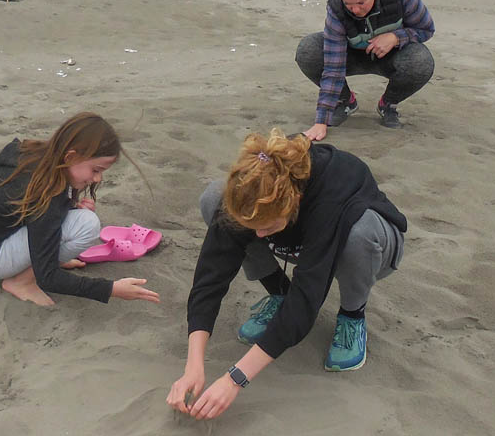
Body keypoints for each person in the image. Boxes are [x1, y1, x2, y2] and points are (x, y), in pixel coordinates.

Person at [167, 128, 406, 421]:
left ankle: (352, 315)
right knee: (216, 200)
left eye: (266, 227)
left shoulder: (330, 193)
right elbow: (211, 274)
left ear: (292, 203)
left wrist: (235, 379)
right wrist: (194, 364)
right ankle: (278, 293)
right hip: (294, 239)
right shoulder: (257, 181)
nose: (257, 236)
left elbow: (307, 298)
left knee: (358, 233)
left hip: (372, 244)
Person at [0, 112, 159, 307]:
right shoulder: (44, 190)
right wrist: (111, 289)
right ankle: (21, 281)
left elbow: (29, 214)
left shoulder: (38, 159)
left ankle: (37, 263)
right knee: (86, 225)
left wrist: (69, 207)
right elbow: (49, 279)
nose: (97, 179)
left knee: (78, 218)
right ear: (71, 156)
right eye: (96, 170)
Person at [296, 0, 435, 138]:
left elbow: (426, 28)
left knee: (421, 61)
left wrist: (396, 37)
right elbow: (333, 67)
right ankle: (344, 102)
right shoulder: (336, 7)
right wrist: (321, 121)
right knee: (308, 50)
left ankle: (388, 104)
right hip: (350, 55)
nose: (355, 10)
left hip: (391, 55)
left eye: (361, 2)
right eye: (348, 3)